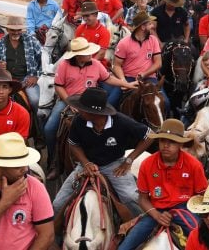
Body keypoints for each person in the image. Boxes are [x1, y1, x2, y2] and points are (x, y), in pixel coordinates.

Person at [44, 38, 136, 180]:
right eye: (86, 53)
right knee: (50, 128)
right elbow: (58, 86)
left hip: (92, 101)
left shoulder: (96, 64)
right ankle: (55, 162)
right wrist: (70, 102)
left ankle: (113, 155)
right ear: (77, 55)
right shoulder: (64, 65)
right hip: (69, 99)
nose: (90, 55)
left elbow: (108, 79)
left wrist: (127, 84)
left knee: (112, 119)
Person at [52, 88, 153, 216]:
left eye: (83, 108)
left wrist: (129, 159)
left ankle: (141, 230)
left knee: (131, 198)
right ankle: (57, 236)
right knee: (57, 204)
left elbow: (149, 135)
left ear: (94, 112)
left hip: (113, 164)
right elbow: (74, 144)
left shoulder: (121, 121)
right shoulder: (79, 121)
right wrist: (86, 163)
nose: (79, 110)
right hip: (84, 165)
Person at [118, 119, 206, 250]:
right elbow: (142, 198)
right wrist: (157, 215)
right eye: (163, 141)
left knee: (206, 241)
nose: (166, 145)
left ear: (180, 145)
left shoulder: (194, 165)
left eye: (172, 142)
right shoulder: (147, 164)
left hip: (185, 209)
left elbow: (202, 195)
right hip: (156, 209)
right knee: (124, 247)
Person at [107, 12, 166, 109]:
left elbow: (158, 63)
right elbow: (116, 65)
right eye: (149, 24)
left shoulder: (153, 40)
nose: (152, 26)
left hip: (149, 78)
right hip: (128, 78)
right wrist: (123, 81)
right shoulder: (124, 43)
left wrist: (144, 74)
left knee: (166, 103)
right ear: (143, 27)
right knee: (110, 103)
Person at [0, 16, 42, 115]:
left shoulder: (31, 40)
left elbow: (44, 59)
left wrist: (36, 76)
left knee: (35, 100)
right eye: (12, 30)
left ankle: (37, 126)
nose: (16, 32)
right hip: (7, 80)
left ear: (22, 30)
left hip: (27, 80)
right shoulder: (0, 43)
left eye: (18, 30)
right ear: (7, 29)